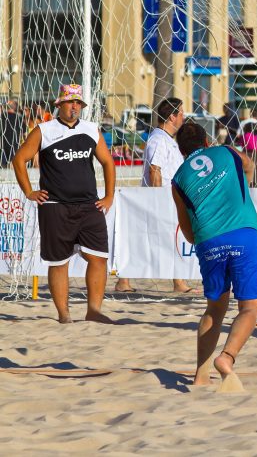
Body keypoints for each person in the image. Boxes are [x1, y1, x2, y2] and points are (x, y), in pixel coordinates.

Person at [11, 84, 116, 324]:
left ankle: (94, 311)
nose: (75, 106)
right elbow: (20, 159)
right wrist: (29, 191)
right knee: (59, 262)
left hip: (89, 205)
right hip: (56, 206)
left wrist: (109, 196)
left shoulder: (91, 129)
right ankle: (64, 315)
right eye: (70, 102)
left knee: (98, 258)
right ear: (59, 105)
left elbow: (108, 163)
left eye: (78, 103)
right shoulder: (43, 130)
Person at [170, 122, 257, 389]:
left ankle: (200, 376)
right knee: (250, 307)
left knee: (215, 309)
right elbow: (249, 165)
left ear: (181, 150)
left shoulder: (178, 179)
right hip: (243, 233)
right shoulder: (227, 152)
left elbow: (187, 233)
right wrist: (243, 187)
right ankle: (227, 357)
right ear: (207, 141)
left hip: (209, 242)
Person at [114, 98, 199, 294]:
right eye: (181, 114)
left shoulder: (167, 140)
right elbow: (154, 170)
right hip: (159, 199)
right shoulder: (158, 139)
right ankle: (123, 281)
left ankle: (178, 283)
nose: (184, 118)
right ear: (172, 117)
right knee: (140, 239)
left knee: (170, 240)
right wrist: (157, 198)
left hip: (170, 198)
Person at [1, 100, 25, 168]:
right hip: (15, 144)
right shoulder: (19, 118)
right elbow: (24, 132)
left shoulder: (1, 116)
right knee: (13, 165)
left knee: (3, 165)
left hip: (2, 144)